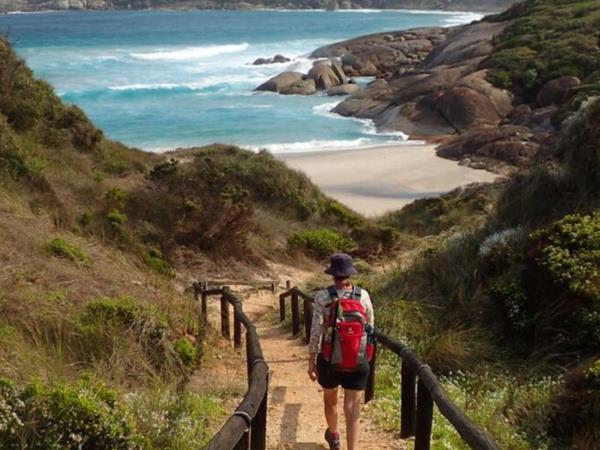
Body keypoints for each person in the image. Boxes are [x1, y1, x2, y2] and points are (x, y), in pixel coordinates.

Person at [308, 253, 375, 450]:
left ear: (332, 274)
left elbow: (315, 331)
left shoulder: (322, 296)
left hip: (330, 360)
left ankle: (334, 435)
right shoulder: (362, 295)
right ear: (349, 274)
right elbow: (370, 328)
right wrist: (366, 357)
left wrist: (312, 359)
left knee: (330, 400)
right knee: (353, 407)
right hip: (357, 359)